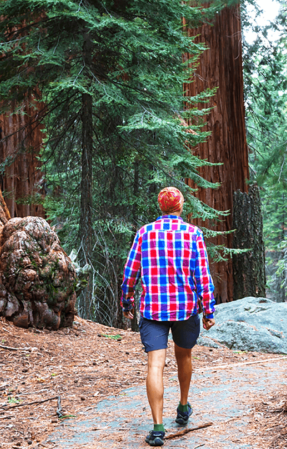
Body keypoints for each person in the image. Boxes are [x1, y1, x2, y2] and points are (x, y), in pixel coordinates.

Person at [121, 187, 216, 447]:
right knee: (184, 355)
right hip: (185, 309)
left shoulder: (145, 233)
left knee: (155, 365)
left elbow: (131, 271)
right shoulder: (193, 234)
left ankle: (158, 428)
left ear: (161, 207)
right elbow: (203, 275)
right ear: (180, 205)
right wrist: (209, 310)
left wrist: (126, 301)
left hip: (153, 310)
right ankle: (183, 406)